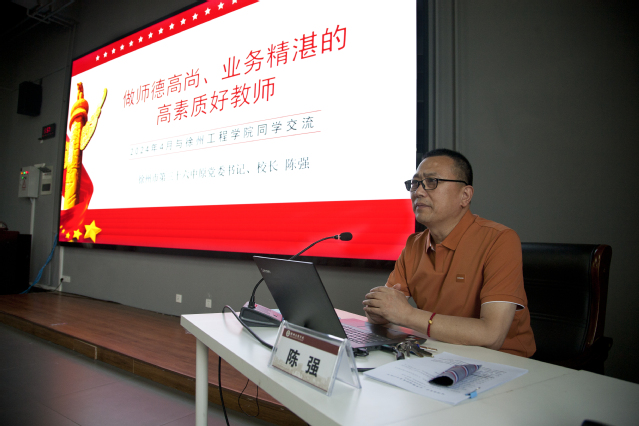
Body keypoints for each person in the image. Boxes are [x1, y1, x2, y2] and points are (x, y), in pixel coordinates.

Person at [363, 149, 535, 357]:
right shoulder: (414, 244)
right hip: (438, 353)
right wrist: (380, 312)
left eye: (432, 182)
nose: (418, 192)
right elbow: (387, 309)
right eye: (415, 183)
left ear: (465, 195)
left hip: (502, 362)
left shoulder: (500, 240)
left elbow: (492, 335)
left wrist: (406, 315)